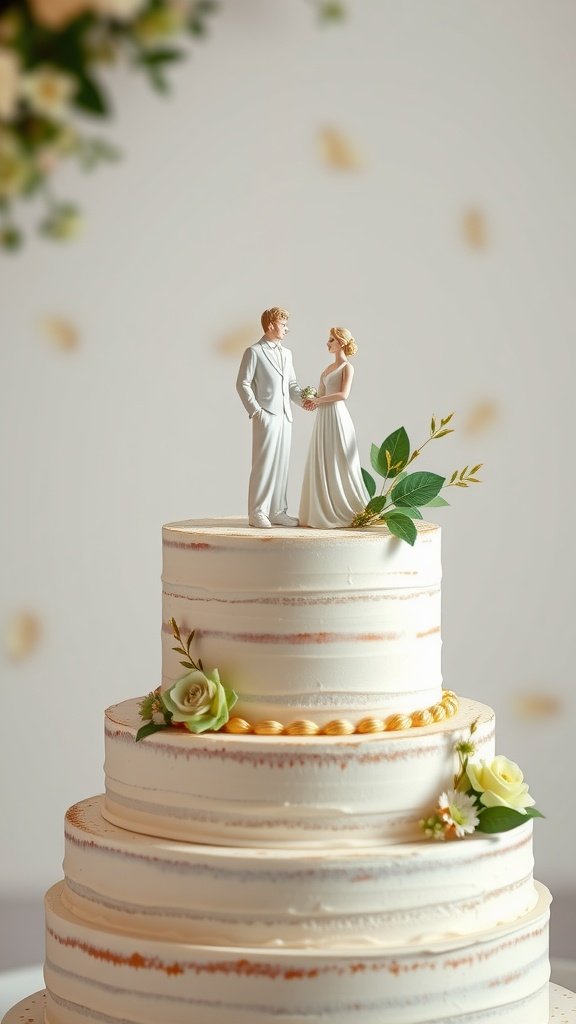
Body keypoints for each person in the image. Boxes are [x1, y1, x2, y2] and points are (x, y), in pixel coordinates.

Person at [236, 307, 306, 528]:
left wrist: (305, 400)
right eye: (283, 324)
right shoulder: (254, 352)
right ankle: (257, 512)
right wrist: (257, 411)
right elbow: (242, 383)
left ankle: (277, 511)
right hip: (266, 415)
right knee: (263, 464)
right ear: (270, 325)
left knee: (282, 464)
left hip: (285, 416)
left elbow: (292, 385)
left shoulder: (287, 354)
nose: (287, 328)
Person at [299, 326, 368, 529]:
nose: (327, 343)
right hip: (323, 418)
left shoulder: (347, 367)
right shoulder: (327, 369)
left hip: (337, 416)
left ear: (341, 342)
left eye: (331, 340)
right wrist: (312, 402)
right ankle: (323, 509)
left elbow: (343, 395)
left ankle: (347, 508)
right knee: (324, 457)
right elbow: (321, 394)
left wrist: (318, 400)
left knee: (339, 458)